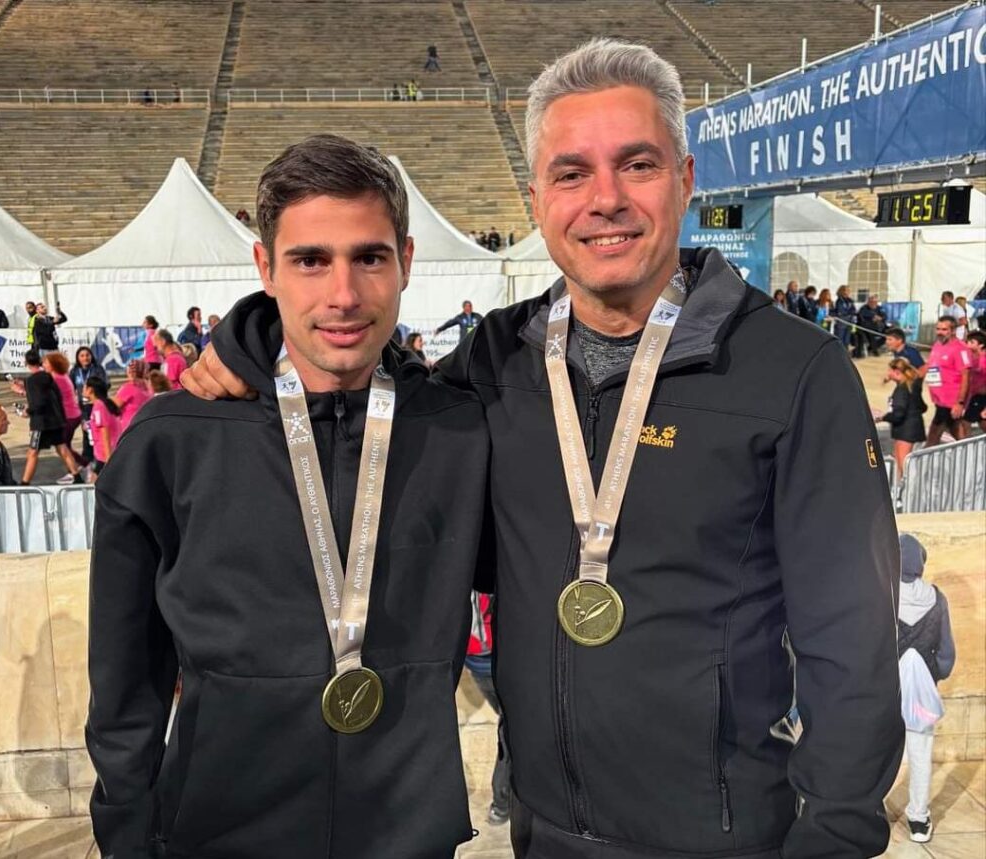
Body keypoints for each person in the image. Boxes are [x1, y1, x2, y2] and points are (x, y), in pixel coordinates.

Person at [184, 39, 904, 858]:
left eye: (637, 164)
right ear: (536, 199)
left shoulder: (793, 372)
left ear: (685, 179)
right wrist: (252, 339)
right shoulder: (497, 358)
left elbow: (851, 635)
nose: (606, 199)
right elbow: (366, 376)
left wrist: (835, 832)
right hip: (544, 830)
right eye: (571, 174)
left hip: (725, 836)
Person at [86, 134, 489, 858]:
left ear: (406, 261)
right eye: (310, 260)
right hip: (220, 834)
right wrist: (125, 832)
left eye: (370, 257)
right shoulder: (173, 440)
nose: (343, 295)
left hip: (409, 834)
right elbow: (125, 679)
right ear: (265, 268)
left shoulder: (460, 430)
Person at [896, 533, 955, 844]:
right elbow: (947, 654)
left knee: (880, 751)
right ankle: (918, 820)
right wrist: (932, 676)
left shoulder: (884, 596)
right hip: (921, 691)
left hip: (887, 692)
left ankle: (870, 808)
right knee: (920, 752)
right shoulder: (937, 599)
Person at [465, 591, 511, 826]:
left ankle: (501, 806)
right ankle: (501, 805)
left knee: (508, 724)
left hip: (475, 664)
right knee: (510, 730)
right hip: (498, 658)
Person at [10, 350, 82, 485]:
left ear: (26, 363)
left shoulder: (32, 380)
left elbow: (38, 401)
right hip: (56, 419)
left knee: (32, 452)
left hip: (41, 423)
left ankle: (25, 483)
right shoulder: (49, 377)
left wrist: (28, 412)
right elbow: (55, 396)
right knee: (62, 449)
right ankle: (77, 477)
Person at [873, 358, 926, 478]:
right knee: (902, 464)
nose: (888, 373)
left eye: (890, 370)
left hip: (906, 433)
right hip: (912, 430)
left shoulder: (901, 390)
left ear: (897, 371)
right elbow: (922, 407)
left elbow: (898, 414)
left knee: (904, 466)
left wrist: (882, 418)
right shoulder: (912, 386)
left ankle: (907, 488)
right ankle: (902, 487)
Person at [924, 316, 972, 447]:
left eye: (944, 329)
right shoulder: (937, 345)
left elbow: (966, 376)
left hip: (951, 401)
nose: (940, 332)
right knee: (956, 430)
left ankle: (925, 457)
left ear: (953, 330)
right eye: (938, 329)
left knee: (934, 434)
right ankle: (970, 453)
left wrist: (960, 402)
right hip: (939, 399)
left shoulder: (960, 349)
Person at [42, 352, 83, 478]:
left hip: (68, 416)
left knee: (62, 447)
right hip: (73, 415)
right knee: (64, 445)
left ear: (53, 364)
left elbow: (45, 396)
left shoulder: (56, 379)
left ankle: (76, 470)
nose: (43, 365)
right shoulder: (62, 376)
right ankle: (78, 466)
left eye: (46, 363)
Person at [70, 346, 107, 463]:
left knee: (98, 430)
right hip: (83, 407)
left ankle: (100, 456)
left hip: (96, 404)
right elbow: (70, 388)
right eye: (82, 356)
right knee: (87, 430)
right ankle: (87, 457)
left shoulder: (98, 369)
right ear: (78, 358)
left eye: (87, 355)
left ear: (91, 356)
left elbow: (105, 385)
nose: (85, 358)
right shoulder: (75, 371)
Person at [83, 376, 121, 481]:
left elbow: (105, 431)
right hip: (108, 452)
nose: (82, 389)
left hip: (104, 454)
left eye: (85, 387)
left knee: (95, 482)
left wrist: (108, 457)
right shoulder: (106, 403)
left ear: (90, 389)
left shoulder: (98, 406)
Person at [114, 360, 152, 432]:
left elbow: (113, 407)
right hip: (144, 426)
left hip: (129, 429)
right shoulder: (149, 387)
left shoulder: (129, 387)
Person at [963, 330, 986, 431]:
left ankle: (964, 439)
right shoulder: (973, 357)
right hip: (974, 395)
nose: (968, 344)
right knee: (982, 421)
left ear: (981, 345)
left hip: (980, 396)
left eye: (972, 342)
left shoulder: (983, 359)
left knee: (965, 421)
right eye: (967, 342)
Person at [834, 284, 857, 353]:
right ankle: (838, 353)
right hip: (841, 322)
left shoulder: (850, 301)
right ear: (842, 291)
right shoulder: (839, 301)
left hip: (849, 322)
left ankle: (845, 353)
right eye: (847, 290)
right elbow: (841, 311)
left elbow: (853, 310)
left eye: (849, 291)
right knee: (840, 338)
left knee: (847, 340)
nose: (848, 292)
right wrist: (849, 314)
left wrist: (851, 315)